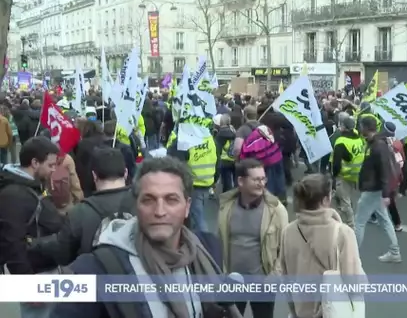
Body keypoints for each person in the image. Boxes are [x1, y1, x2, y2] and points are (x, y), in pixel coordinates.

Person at [50, 156, 233, 318]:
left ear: (187, 207)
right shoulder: (97, 269)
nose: (160, 211)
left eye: (171, 199)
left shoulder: (208, 249)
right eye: (149, 200)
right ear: (136, 205)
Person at [280, 173, 365, 318]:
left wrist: (294, 311)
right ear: (326, 199)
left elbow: (286, 278)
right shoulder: (343, 232)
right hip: (333, 311)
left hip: (302, 310)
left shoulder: (288, 231)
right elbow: (354, 282)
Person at [29, 148, 132, 267]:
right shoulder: (145, 204)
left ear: (94, 175)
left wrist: (33, 243)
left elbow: (63, 251)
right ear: (125, 173)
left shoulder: (79, 212)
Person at [218, 158, 288, 318]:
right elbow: (221, 242)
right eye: (256, 179)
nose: (261, 183)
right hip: (234, 282)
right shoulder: (225, 207)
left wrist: (273, 279)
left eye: (263, 179)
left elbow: (285, 249)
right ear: (241, 181)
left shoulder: (276, 210)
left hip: (264, 284)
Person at [0, 136, 63, 275]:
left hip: (43, 265)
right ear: (35, 162)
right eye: (50, 165)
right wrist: (28, 285)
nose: (54, 170)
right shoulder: (13, 195)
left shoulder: (33, 184)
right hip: (34, 273)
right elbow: (12, 245)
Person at [353, 116, 401, 262]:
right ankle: (395, 252)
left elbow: (384, 170)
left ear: (366, 128)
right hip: (376, 189)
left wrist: (386, 194)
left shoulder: (378, 145)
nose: (359, 128)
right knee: (385, 219)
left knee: (359, 222)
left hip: (374, 189)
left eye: (361, 126)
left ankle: (351, 255)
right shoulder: (375, 143)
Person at [330, 116, 363, 228]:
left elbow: (336, 163)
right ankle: (335, 220)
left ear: (344, 127)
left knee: (345, 201)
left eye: (341, 125)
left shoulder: (341, 141)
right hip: (355, 174)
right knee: (339, 198)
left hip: (343, 175)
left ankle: (351, 225)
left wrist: (334, 175)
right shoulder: (358, 138)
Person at [215, 113, 237, 193]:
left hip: (224, 160)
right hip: (234, 158)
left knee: (226, 182)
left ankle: (227, 198)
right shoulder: (233, 130)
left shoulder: (220, 134)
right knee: (235, 181)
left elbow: (218, 148)